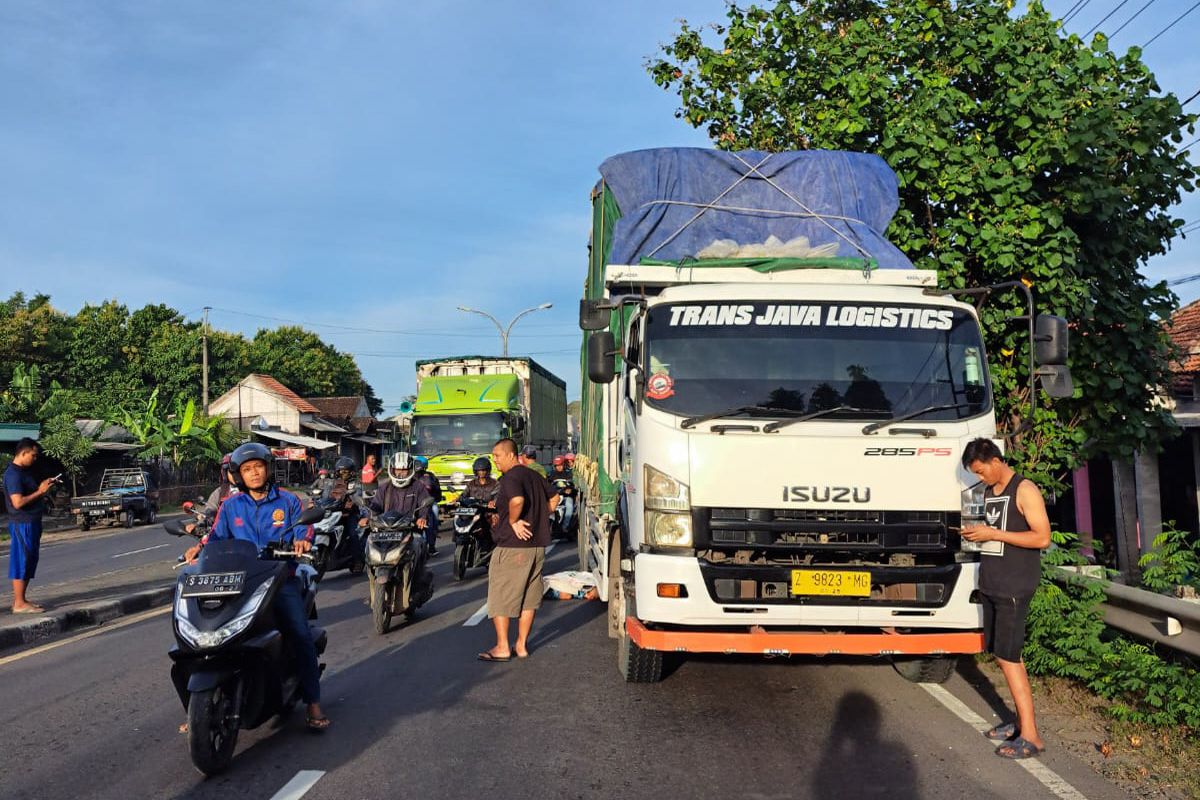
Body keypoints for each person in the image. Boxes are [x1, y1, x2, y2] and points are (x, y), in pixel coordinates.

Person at [189, 442, 330, 731]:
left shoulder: (288, 501)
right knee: (207, 632)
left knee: (300, 634)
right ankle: (198, 708)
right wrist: (198, 551)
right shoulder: (231, 506)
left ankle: (313, 702)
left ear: (268, 468)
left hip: (280, 580)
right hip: (241, 581)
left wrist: (302, 541)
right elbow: (216, 538)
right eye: (247, 469)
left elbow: (304, 529)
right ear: (239, 475)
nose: (254, 473)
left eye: (258, 467)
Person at [960, 438, 1051, 760]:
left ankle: (1031, 736)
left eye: (982, 471)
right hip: (993, 583)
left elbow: (1042, 537)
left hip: (1015, 585)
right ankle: (1018, 722)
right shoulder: (987, 492)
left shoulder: (1024, 489)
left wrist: (994, 534)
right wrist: (976, 534)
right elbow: (993, 533)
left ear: (995, 460)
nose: (981, 478)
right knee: (1001, 656)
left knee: (1011, 658)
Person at [478, 438, 558, 662]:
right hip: (536, 548)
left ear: (511, 455)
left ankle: (503, 647)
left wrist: (514, 521)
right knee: (529, 599)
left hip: (513, 547)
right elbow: (555, 497)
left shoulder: (511, 477)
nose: (495, 461)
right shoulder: (533, 475)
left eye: (498, 456)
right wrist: (540, 517)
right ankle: (521, 645)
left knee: (500, 597)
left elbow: (517, 500)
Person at [4, 438, 55, 614]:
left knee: (30, 560)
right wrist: (40, 491)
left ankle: (22, 599)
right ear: (23, 453)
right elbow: (17, 502)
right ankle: (18, 602)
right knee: (22, 560)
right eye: (33, 455)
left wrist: (43, 488)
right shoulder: (13, 475)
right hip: (22, 523)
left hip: (32, 522)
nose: (35, 458)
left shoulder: (25, 472)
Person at [361, 452, 430, 527]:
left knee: (423, 536)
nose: (400, 472)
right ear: (392, 470)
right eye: (397, 469)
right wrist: (367, 518)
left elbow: (424, 506)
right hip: (386, 528)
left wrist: (422, 518)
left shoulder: (418, 486)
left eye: (404, 470)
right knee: (365, 536)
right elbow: (376, 507)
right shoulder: (384, 487)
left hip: (410, 528)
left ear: (410, 470)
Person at [413, 455, 443, 555]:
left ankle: (431, 546)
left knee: (433, 518)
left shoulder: (430, 476)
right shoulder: (410, 476)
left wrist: (436, 498)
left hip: (429, 503)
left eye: (419, 465)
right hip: (414, 503)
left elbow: (437, 490)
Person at [548, 455, 575, 534]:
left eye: (560, 465)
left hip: (566, 497)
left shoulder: (569, 474)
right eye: (557, 465)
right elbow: (547, 485)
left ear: (564, 464)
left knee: (569, 506)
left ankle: (565, 526)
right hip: (554, 497)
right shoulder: (551, 474)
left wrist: (570, 489)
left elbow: (572, 485)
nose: (559, 467)